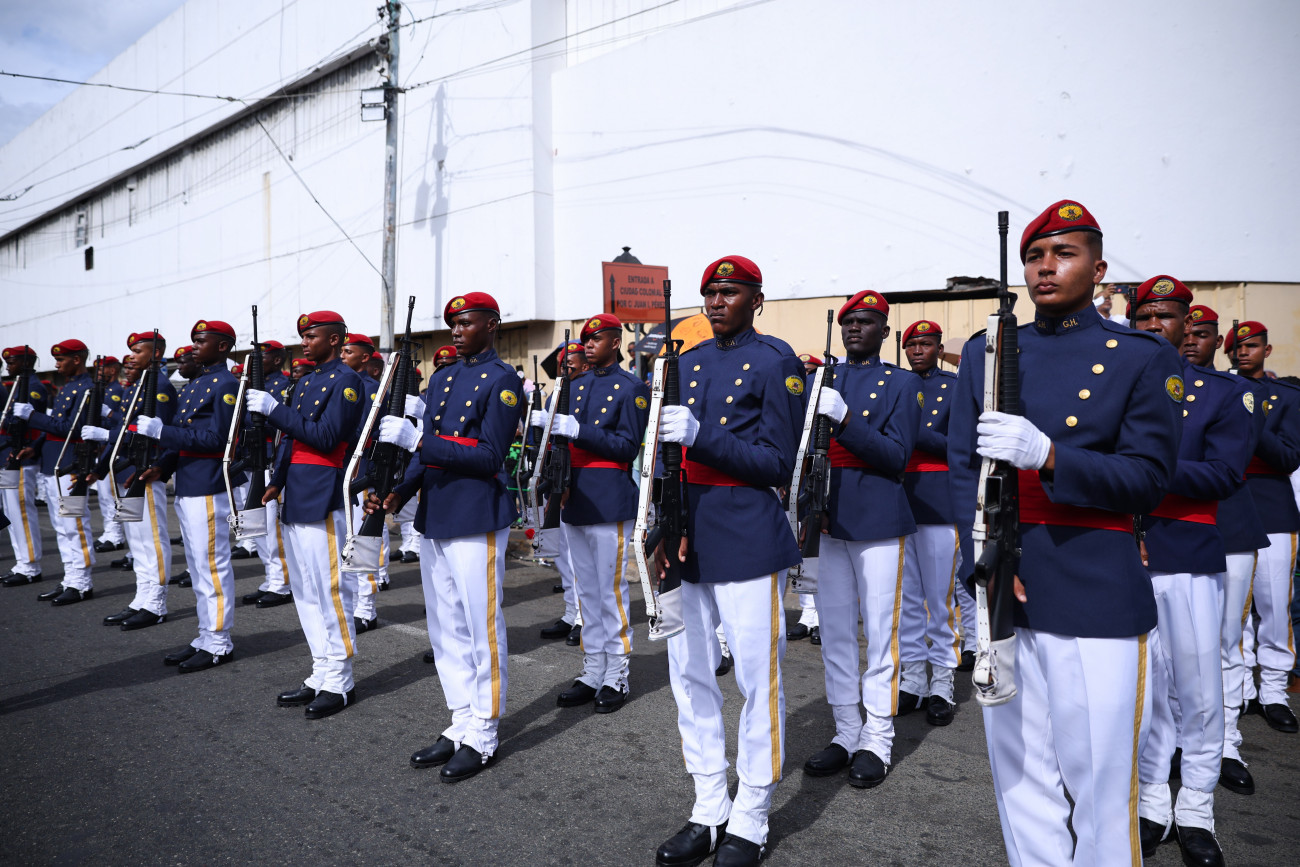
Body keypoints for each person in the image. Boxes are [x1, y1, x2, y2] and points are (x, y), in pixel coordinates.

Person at [949, 200, 1182, 865]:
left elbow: (1148, 479)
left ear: (1098, 268)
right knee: (1021, 780)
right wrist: (983, 558)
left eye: (1064, 253)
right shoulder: (988, 352)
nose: (1045, 267)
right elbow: (962, 469)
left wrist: (1050, 455)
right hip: (1008, 582)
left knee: (1101, 788)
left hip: (1093, 586)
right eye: (1033, 256)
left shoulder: (1140, 356)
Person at [652, 255, 803, 867]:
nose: (717, 301)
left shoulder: (775, 361)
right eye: (710, 292)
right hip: (685, 531)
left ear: (756, 299)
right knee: (689, 674)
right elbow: (663, 462)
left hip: (744, 530)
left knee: (756, 680)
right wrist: (662, 525)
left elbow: (777, 463)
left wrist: (701, 436)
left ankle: (752, 814)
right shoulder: (684, 363)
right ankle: (710, 805)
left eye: (730, 292)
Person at [372, 292, 523, 781]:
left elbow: (490, 456)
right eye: (453, 324)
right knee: (445, 627)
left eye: (466, 323)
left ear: (491, 325)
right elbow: (427, 453)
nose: (457, 331)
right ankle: (461, 718)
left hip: (475, 512)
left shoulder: (502, 381)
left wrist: (419, 439)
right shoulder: (441, 378)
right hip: (435, 510)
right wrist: (400, 491)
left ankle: (485, 728)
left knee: (481, 627)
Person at [1130, 277, 1250, 866]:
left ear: (1186, 325)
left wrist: (1149, 470)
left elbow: (1225, 474)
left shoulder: (1220, 393)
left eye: (1167, 315)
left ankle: (1197, 806)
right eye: (1145, 316)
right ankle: (1154, 798)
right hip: (1124, 549)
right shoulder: (1118, 382)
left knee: (1199, 688)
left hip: (1187, 550)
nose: (1155, 324)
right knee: (1147, 688)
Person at [801, 291, 921, 787]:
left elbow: (897, 457)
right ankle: (847, 729)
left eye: (866, 321)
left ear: (884, 332)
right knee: (834, 633)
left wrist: (846, 420)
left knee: (880, 635)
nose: (854, 328)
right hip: (828, 516)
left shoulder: (902, 383)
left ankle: (878, 737)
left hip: (877, 518)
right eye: (849, 321)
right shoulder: (822, 378)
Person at [245, 311, 365, 719]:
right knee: (305, 590)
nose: (305, 342)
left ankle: (341, 679)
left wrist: (274, 409)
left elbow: (326, 437)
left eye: (312, 336)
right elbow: (288, 441)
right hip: (296, 488)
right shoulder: (307, 381)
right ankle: (321, 670)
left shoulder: (346, 381)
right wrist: (277, 480)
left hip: (322, 490)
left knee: (330, 589)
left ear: (334, 339)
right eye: (303, 336)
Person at [541, 314, 649, 713]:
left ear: (615, 342)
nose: (588, 344)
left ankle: (616, 672)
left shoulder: (632, 388)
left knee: (610, 592)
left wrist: (579, 431)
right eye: (585, 339)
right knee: (585, 592)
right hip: (575, 495)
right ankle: (592, 669)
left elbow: (627, 447)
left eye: (596, 338)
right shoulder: (574, 385)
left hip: (608, 497)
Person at [1181, 304, 1269, 796]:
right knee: (1174, 651)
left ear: (1219, 342)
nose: (1191, 339)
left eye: (1203, 334)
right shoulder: (1156, 387)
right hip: (1169, 528)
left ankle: (1227, 743)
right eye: (1187, 330)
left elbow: (1230, 463)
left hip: (1226, 524)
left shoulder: (1236, 392)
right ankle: (1178, 740)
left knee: (1225, 640)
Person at [136, 320, 242, 672]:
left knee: (211, 565)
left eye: (201, 341)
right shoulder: (197, 382)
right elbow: (186, 434)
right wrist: (163, 467)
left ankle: (219, 641)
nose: (194, 346)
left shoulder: (226, 384)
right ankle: (205, 634)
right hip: (187, 482)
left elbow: (219, 440)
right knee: (197, 567)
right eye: (193, 341)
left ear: (223, 347)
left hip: (208, 484)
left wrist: (162, 432)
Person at [1231, 320, 1300, 734]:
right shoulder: (1221, 388)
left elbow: (1289, 458)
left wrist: (1253, 422)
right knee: (1235, 609)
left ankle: (1274, 690)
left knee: (1274, 607)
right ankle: (1241, 687)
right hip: (1232, 504)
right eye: (1237, 347)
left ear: (1267, 350)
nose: (1244, 352)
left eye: (1252, 346)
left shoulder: (1287, 397)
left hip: (1273, 507)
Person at [897, 319, 964, 725]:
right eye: (912, 345)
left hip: (938, 498)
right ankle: (912, 680)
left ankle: (941, 681)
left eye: (926, 344)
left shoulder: (955, 387)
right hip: (900, 496)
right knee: (906, 600)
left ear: (939, 349)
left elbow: (962, 445)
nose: (918, 350)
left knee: (940, 599)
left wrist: (916, 433)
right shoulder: (895, 384)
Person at [91, 331, 179, 631]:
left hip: (145, 472)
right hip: (127, 470)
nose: (131, 356)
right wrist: (101, 468)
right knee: (137, 540)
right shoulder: (138, 386)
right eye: (131, 351)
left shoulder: (160, 386)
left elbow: (165, 434)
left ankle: (156, 603)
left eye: (138, 351)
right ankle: (141, 597)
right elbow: (124, 430)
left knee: (152, 539)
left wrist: (158, 467)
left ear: (156, 354)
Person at [15, 338, 98, 605]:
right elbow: (56, 426)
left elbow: (71, 429)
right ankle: (70, 578)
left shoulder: (87, 389)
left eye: (61, 359)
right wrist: (36, 447)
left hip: (71, 465)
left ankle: (82, 582)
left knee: (74, 525)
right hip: (54, 462)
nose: (57, 364)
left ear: (77, 359)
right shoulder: (69, 386)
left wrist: (32, 417)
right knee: (61, 527)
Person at [537, 339, 590, 647]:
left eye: (570, 363)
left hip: (579, 479)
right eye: (561, 363)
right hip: (555, 476)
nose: (564, 367)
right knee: (562, 553)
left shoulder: (591, 391)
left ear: (585, 364)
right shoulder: (554, 395)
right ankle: (571, 612)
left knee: (578, 556)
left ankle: (583, 618)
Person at [339, 331, 390, 631]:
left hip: (364, 470)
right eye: (342, 351)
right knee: (345, 541)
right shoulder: (342, 383)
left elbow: (363, 432)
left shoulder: (370, 389)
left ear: (365, 357)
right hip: (343, 468)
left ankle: (366, 609)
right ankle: (350, 604)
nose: (343, 356)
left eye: (349, 351)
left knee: (364, 539)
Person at [239, 339, 294, 608]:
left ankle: (282, 583)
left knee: (273, 528)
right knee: (257, 525)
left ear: (277, 359)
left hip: (270, 460)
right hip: (251, 458)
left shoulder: (284, 387)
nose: (256, 363)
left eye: (262, 357)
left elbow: (284, 426)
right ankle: (271, 578)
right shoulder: (252, 385)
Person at [1, 346, 49, 586]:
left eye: (12, 362)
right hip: (9, 456)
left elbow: (36, 425)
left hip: (22, 457)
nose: (8, 366)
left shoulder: (34, 388)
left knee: (21, 512)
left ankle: (30, 566)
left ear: (26, 362)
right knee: (11, 513)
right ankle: (22, 562)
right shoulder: (19, 385)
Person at [787, 352, 822, 645]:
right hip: (797, 476)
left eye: (812, 373)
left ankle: (821, 616)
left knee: (818, 548)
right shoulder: (792, 401)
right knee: (799, 548)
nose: (806, 378)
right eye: (803, 373)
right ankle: (806, 614)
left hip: (818, 476)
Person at [93, 355, 128, 554]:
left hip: (112, 447)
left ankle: (115, 535)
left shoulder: (117, 392)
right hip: (102, 446)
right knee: (105, 495)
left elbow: (120, 423)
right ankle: (109, 531)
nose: (98, 373)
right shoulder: (104, 390)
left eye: (102, 369)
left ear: (112, 370)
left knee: (113, 495)